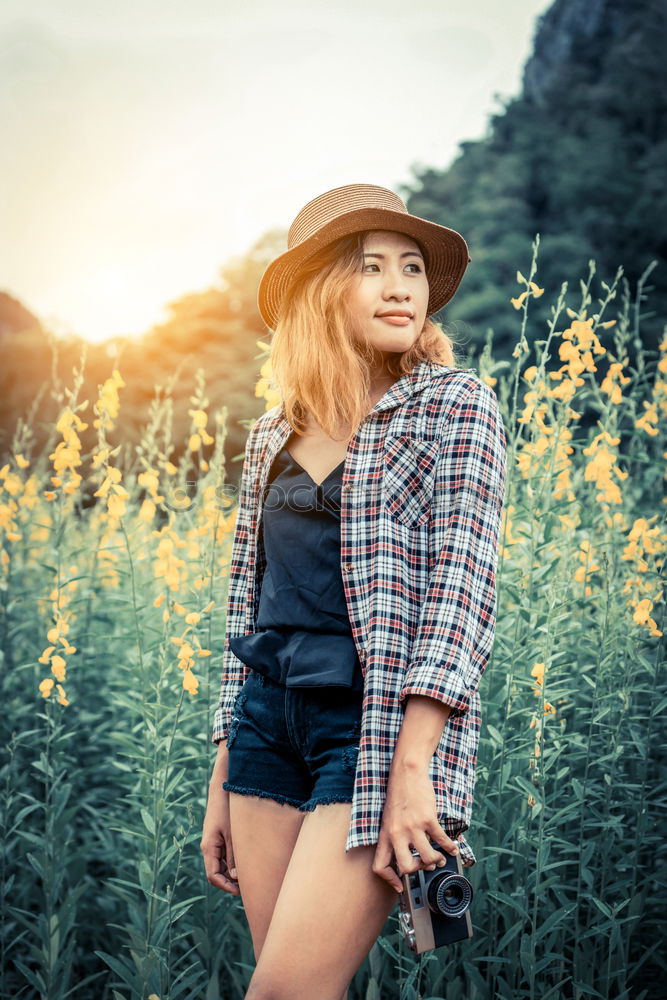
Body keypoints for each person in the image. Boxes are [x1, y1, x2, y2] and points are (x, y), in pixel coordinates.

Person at [200, 183, 507, 1000]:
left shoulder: (454, 407)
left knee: (285, 992)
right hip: (266, 727)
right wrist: (221, 773)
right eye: (370, 267)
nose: (401, 285)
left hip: (372, 732)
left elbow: (461, 598)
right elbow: (248, 608)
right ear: (318, 290)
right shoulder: (273, 430)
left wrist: (416, 772)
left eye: (411, 268)